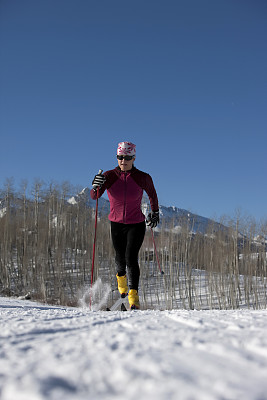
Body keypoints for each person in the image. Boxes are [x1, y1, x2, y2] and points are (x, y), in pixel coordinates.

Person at [90, 141, 159, 309]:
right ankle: (122, 286)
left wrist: (155, 212)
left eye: (127, 157)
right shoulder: (110, 175)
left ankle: (133, 296)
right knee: (119, 258)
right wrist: (95, 185)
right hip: (116, 224)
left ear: (134, 158)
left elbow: (152, 194)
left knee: (130, 257)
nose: (123, 161)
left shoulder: (143, 177)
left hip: (136, 223)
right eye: (120, 157)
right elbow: (94, 196)